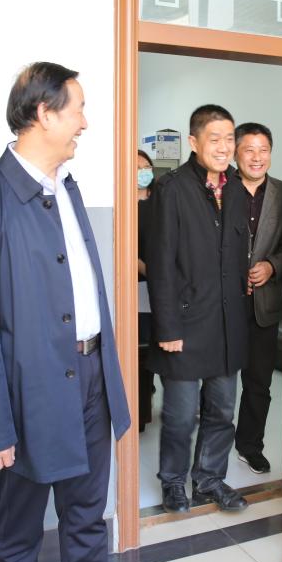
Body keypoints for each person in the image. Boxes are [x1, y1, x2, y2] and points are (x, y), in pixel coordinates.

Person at [0, 62, 130, 562]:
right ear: (45, 114)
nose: (85, 122)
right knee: (18, 534)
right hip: (27, 392)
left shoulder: (67, 186)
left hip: (92, 379)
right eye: (79, 110)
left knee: (88, 519)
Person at [147, 104, 250, 514]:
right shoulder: (172, 188)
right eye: (215, 139)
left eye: (230, 139)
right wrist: (168, 328)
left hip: (227, 323)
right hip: (186, 324)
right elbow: (161, 264)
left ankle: (209, 480)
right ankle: (173, 482)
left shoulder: (237, 187)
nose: (224, 147)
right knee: (180, 416)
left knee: (222, 411)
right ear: (194, 142)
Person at [232, 122, 282, 475]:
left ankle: (250, 445)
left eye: (263, 150)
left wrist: (272, 266)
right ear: (235, 153)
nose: (256, 157)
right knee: (217, 385)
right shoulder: (218, 189)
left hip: (263, 305)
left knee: (258, 383)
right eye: (249, 149)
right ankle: (209, 452)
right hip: (222, 306)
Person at [137, 149, 155, 432]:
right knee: (141, 348)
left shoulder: (161, 202)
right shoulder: (121, 205)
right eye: (136, 167)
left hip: (162, 285)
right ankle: (141, 409)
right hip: (137, 288)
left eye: (146, 166)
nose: (142, 172)